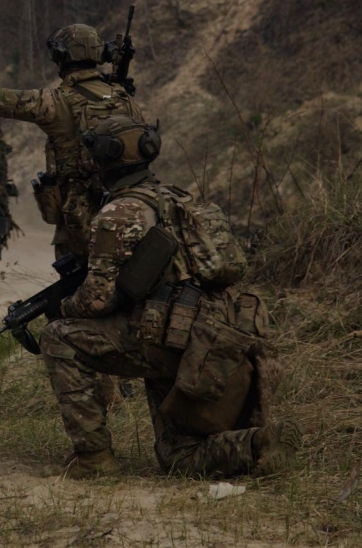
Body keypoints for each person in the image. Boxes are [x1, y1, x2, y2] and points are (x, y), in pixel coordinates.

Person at [37, 115, 302, 479]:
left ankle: (94, 460)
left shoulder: (117, 213)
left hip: (163, 339)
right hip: (205, 340)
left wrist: (61, 308)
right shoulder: (180, 199)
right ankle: (259, 444)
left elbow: (96, 301)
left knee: (58, 338)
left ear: (103, 158)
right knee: (178, 458)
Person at [0, 27, 142, 260]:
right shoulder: (125, 99)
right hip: (128, 213)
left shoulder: (54, 101)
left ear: (62, 57)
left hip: (79, 223)